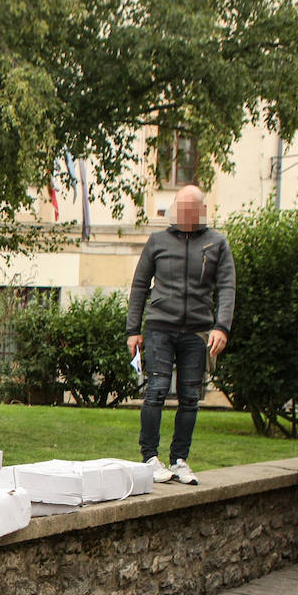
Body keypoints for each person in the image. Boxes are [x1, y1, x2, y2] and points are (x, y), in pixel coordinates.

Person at [126, 185, 235, 485]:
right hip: (160, 327)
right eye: (180, 207)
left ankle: (179, 460)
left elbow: (227, 286)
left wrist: (221, 327)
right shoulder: (157, 241)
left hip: (197, 331)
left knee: (189, 398)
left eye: (191, 209)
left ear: (202, 210)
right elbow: (139, 285)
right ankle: (150, 458)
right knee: (157, 389)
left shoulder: (217, 243)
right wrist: (133, 330)